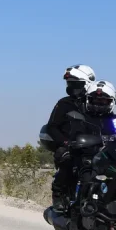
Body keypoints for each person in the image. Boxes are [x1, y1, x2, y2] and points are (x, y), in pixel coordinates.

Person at [67, 79, 116, 230]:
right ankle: (78, 218)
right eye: (96, 99)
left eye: (103, 100)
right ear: (88, 100)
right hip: (88, 159)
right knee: (88, 179)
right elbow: (74, 135)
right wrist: (82, 140)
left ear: (111, 102)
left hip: (111, 160)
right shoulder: (81, 117)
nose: (99, 102)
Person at [46, 64, 96, 214]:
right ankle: (59, 195)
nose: (72, 87)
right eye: (70, 83)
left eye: (76, 84)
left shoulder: (98, 102)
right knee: (67, 159)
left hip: (94, 146)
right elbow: (52, 127)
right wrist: (64, 143)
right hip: (70, 147)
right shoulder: (64, 104)